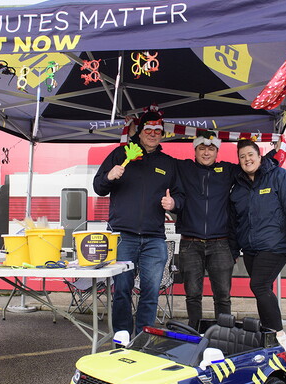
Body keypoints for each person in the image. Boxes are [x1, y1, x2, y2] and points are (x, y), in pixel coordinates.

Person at [93, 109, 183, 336]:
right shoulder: (120, 154)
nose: (153, 134)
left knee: (151, 291)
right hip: (123, 236)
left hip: (154, 238)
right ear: (140, 132)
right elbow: (98, 187)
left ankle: (144, 337)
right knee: (122, 289)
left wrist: (173, 204)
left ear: (162, 134)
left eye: (158, 131)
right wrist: (109, 176)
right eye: (149, 129)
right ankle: (123, 337)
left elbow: (181, 196)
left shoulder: (168, 163)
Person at [228, 139, 286, 333]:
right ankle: (268, 333)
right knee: (262, 290)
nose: (247, 159)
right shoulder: (238, 187)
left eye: (250, 155)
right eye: (242, 156)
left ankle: (278, 334)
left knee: (259, 285)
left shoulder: (280, 176)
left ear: (259, 156)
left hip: (275, 246)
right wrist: (233, 250)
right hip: (250, 249)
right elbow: (234, 222)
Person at [171, 131, 237, 331]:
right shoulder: (183, 168)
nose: (206, 153)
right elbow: (157, 157)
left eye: (211, 149)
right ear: (195, 150)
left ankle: (224, 334)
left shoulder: (228, 170)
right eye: (202, 148)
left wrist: (275, 154)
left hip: (221, 243)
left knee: (223, 296)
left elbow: (252, 166)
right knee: (192, 294)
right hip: (190, 243)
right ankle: (194, 333)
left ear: (217, 151)